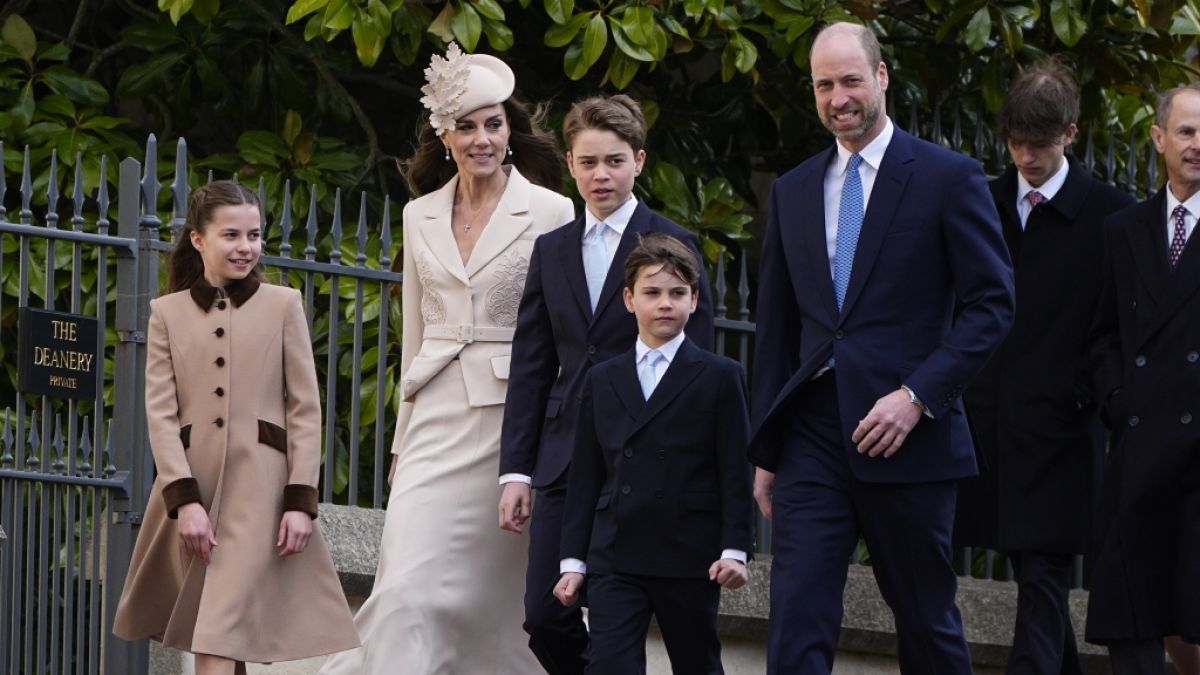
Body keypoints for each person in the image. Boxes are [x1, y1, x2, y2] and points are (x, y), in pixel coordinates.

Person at [749, 22, 1014, 674]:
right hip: (811, 436)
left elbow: (992, 304)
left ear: (882, 76)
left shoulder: (949, 177)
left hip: (909, 439)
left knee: (926, 619)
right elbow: (777, 328)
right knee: (796, 616)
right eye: (824, 85)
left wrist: (918, 395)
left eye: (850, 80)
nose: (838, 97)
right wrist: (766, 448)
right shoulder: (793, 190)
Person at [317, 44, 574, 675]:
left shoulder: (552, 211)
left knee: (490, 610)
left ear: (510, 130)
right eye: (467, 125)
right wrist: (402, 441)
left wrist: (556, 448)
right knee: (403, 590)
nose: (482, 138)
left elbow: (568, 339)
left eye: (494, 122)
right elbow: (416, 333)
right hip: (432, 420)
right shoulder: (417, 215)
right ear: (445, 134)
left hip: (513, 428)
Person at [497, 94, 714, 675]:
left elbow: (702, 364)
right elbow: (533, 365)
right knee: (545, 616)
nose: (601, 175)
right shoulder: (551, 249)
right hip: (565, 458)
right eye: (588, 162)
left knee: (646, 621)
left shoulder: (674, 244)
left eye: (614, 161)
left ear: (638, 162)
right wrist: (517, 471)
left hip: (648, 464)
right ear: (570, 164)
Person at [112, 181, 359, 674]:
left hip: (260, 497)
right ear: (199, 239)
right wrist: (183, 503)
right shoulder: (166, 314)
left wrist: (299, 502)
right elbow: (161, 414)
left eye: (254, 234)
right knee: (221, 633)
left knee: (218, 635)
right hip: (192, 489)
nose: (246, 247)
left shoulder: (283, 305)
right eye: (231, 235)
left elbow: (306, 411)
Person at [951, 59, 1134, 675]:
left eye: (1041, 143)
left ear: (1071, 134)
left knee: (1043, 576)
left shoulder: (1111, 216)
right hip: (980, 425)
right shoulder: (980, 200)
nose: (1026, 156)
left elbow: (1117, 326)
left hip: (1060, 432)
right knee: (1014, 577)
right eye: (1016, 142)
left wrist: (1081, 393)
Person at [552, 233, 753, 674]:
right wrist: (573, 561)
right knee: (609, 666)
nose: (666, 303)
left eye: (678, 292)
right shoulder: (602, 379)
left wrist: (735, 548)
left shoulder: (721, 376)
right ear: (629, 299)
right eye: (653, 292)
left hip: (690, 556)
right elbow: (585, 477)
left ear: (695, 300)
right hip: (616, 553)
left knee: (697, 665)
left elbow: (735, 469)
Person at [1085, 82, 1200, 674]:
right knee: (1130, 619)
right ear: (1158, 138)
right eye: (1186, 131)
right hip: (1137, 448)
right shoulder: (1123, 229)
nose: (1198, 144)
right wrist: (1116, 395)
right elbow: (1103, 334)